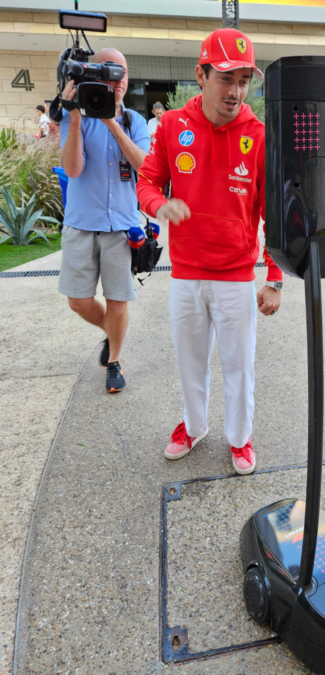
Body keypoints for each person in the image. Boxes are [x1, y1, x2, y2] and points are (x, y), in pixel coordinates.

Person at [136, 28, 283, 476]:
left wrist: (274, 276)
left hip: (236, 276)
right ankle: (194, 427)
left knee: (240, 367)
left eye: (243, 80)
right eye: (226, 78)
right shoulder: (173, 127)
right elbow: (146, 182)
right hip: (185, 274)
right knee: (190, 363)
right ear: (200, 75)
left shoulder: (258, 135)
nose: (236, 91)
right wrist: (160, 205)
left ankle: (240, 439)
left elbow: (271, 211)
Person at [59, 48, 150, 393]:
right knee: (78, 301)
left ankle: (113, 360)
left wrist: (111, 120)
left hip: (121, 227)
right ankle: (111, 333)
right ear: (96, 76)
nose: (120, 79)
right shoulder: (74, 117)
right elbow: (72, 169)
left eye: (123, 72)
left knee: (117, 300)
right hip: (82, 223)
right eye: (112, 72)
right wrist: (78, 117)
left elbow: (144, 165)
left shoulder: (135, 121)